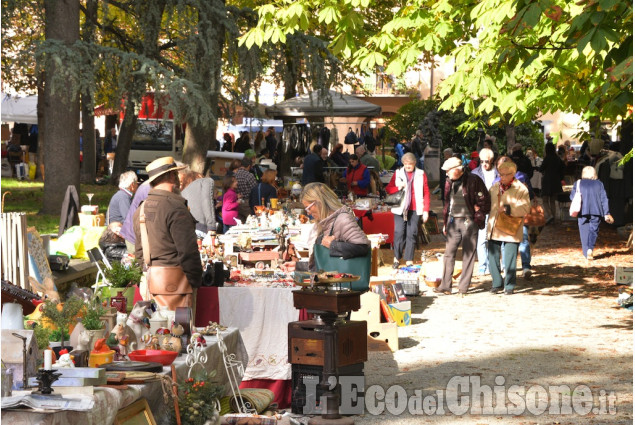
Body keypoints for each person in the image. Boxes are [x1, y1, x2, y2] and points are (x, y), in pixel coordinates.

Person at [133, 157, 201, 305]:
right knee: (179, 328)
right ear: (171, 176)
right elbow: (188, 251)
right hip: (177, 284)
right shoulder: (175, 207)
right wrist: (195, 281)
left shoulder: (141, 209)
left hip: (149, 283)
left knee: (153, 328)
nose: (178, 178)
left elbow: (139, 252)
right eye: (176, 174)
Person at [282, 183, 370, 272]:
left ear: (319, 202)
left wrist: (332, 245)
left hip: (345, 283)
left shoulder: (343, 219)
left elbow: (362, 247)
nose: (308, 213)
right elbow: (324, 264)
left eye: (308, 208)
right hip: (337, 281)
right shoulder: (326, 222)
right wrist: (298, 266)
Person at [434, 157, 490, 296]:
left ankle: (463, 287)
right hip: (453, 221)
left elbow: (485, 200)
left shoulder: (473, 180)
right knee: (448, 254)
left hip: (469, 221)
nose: (446, 174)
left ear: (458, 170)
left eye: (448, 171)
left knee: (468, 254)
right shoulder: (448, 181)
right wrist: (446, 222)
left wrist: (478, 212)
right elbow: (447, 203)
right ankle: (445, 286)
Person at [486, 160, 531, 295]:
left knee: (510, 257)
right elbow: (488, 204)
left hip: (511, 226)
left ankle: (510, 285)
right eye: (501, 174)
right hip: (494, 225)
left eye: (506, 175)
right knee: (492, 255)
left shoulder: (521, 189)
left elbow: (525, 208)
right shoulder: (494, 187)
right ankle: (496, 283)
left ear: (513, 174)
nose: (503, 177)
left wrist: (508, 209)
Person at [385, 153, 430, 269]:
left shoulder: (421, 174)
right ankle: (396, 258)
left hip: (415, 208)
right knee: (399, 232)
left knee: (412, 233)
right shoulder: (398, 173)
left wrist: (426, 210)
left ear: (414, 163)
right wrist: (398, 187)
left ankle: (409, 259)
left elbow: (426, 193)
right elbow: (388, 189)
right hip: (400, 207)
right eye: (405, 164)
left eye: (410, 164)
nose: (408, 166)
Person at [496, 155, 536, 279]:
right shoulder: (497, 179)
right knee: (506, 240)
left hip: (518, 214)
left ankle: (525, 267)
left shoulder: (521, 177)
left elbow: (530, 195)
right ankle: (508, 266)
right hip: (503, 215)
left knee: (522, 239)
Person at [570, 166, 614, 260]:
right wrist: (606, 212)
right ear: (594, 174)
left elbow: (572, 197)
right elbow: (604, 199)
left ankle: (586, 252)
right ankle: (590, 248)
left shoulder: (578, 183)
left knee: (583, 231)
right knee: (593, 230)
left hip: (582, 211)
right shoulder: (599, 184)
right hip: (596, 210)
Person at [471, 148, 498, 275]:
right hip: (481, 210)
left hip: (495, 209)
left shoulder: (498, 173)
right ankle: (483, 265)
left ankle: (496, 265)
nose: (484, 164)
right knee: (481, 239)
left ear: (492, 161)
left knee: (495, 238)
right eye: (481, 161)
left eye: (486, 161)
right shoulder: (475, 173)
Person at [539, 142, 565, 224]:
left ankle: (550, 215)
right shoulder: (557, 158)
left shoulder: (547, 158)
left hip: (547, 181)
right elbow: (563, 168)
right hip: (556, 181)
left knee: (545, 200)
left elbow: (541, 168)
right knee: (553, 201)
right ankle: (553, 217)